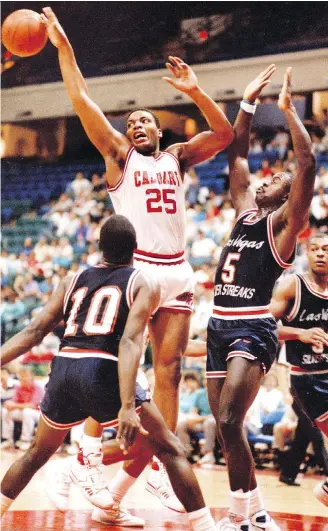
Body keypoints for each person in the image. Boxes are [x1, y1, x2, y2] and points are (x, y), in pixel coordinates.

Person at [40, 6, 234, 511]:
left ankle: (160, 468)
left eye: (146, 119)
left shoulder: (177, 157)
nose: (138, 124)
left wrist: (194, 90)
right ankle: (84, 448)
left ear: (161, 131)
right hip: (138, 269)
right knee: (112, 363)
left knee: (166, 371)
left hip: (177, 268)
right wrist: (65, 49)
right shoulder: (119, 159)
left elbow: (225, 134)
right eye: (131, 122)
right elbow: (81, 98)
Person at [0, 215, 218, 531]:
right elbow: (130, 342)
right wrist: (127, 405)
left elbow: (33, 331)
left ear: (99, 247)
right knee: (169, 447)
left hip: (64, 368)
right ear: (136, 247)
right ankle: (207, 526)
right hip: (103, 370)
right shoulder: (143, 281)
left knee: (36, 452)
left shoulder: (71, 279)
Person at [206, 63, 317, 531]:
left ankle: (236, 518)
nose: (266, 179)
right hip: (216, 324)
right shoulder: (245, 212)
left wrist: (289, 112)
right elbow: (236, 156)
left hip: (252, 326)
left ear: (289, 197)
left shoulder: (283, 229)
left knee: (231, 419)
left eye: (277, 181)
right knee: (229, 432)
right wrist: (247, 104)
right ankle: (257, 512)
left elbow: (307, 164)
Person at [270, 232, 328, 508]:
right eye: (315, 249)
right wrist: (299, 333)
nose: (320, 253)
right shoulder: (291, 285)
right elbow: (262, 324)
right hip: (308, 380)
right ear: (307, 253)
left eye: (326, 249)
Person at [1, 367, 44, 451]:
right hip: (23, 411)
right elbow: (14, 402)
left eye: (26, 376)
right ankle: (8, 440)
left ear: (31, 376)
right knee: (5, 411)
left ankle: (25, 440)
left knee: (27, 412)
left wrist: (14, 405)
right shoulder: (19, 387)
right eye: (22, 377)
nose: (24, 379)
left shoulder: (38, 387)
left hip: (39, 415)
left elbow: (33, 406)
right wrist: (9, 404)